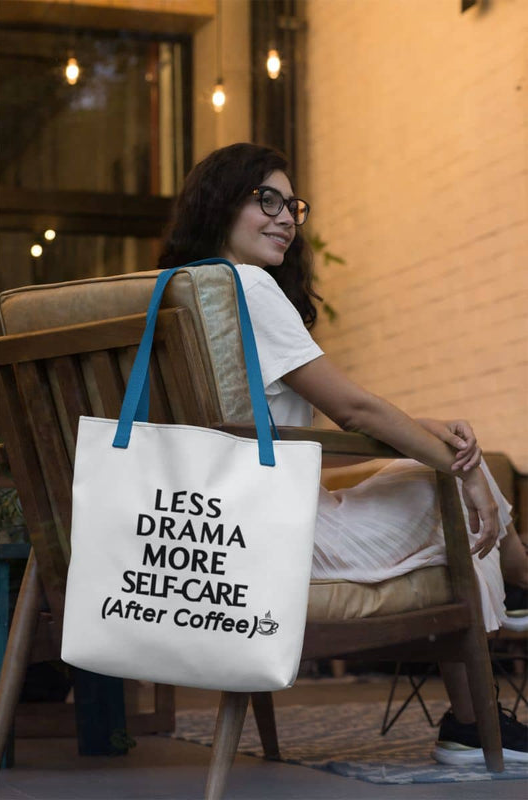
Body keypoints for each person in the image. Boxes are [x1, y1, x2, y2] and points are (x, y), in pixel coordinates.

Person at [158, 142, 528, 765]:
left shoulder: (177, 293)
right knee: (458, 483)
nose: (285, 218)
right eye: (265, 200)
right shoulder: (246, 286)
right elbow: (353, 411)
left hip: (211, 523)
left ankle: (494, 657)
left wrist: (421, 436)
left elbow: (287, 440)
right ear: (221, 203)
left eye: (291, 206)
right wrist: (455, 466)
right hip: (276, 533)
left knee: (433, 468)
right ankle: (504, 629)